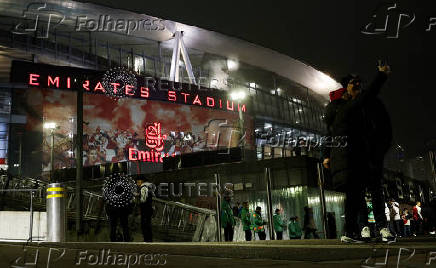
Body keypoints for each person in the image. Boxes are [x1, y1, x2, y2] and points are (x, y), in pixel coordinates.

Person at [322, 63, 394, 243]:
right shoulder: (344, 108)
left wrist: (381, 149)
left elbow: (384, 127)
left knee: (374, 190)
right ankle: (362, 228)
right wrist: (326, 154)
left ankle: (380, 227)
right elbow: (331, 133)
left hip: (371, 153)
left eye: (359, 82)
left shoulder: (370, 103)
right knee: (357, 191)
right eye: (353, 83)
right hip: (356, 155)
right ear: (345, 88)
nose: (357, 85)